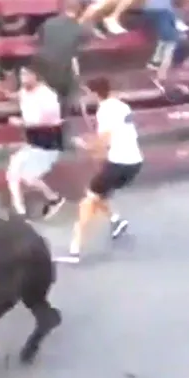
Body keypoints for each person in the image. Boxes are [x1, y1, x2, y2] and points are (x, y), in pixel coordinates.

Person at [56, 77, 142, 264]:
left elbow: (103, 142)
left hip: (119, 163)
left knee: (87, 202)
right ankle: (116, 221)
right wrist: (93, 141)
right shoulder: (122, 106)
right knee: (98, 194)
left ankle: (74, 251)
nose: (87, 97)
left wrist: (83, 145)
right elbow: (117, 135)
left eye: (87, 93)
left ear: (94, 93)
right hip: (134, 163)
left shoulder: (105, 110)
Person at [3, 67, 66, 220]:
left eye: (26, 75)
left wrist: (21, 123)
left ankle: (22, 211)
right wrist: (6, 93)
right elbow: (18, 96)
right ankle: (46, 201)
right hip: (34, 143)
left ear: (36, 76)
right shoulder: (24, 91)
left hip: (48, 144)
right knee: (19, 174)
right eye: (22, 74)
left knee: (19, 174)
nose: (23, 78)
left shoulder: (47, 96)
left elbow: (50, 122)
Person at [31, 0, 92, 117]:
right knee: (69, 91)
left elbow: (36, 39)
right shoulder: (79, 28)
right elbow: (85, 43)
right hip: (63, 72)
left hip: (42, 70)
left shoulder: (48, 23)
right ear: (79, 10)